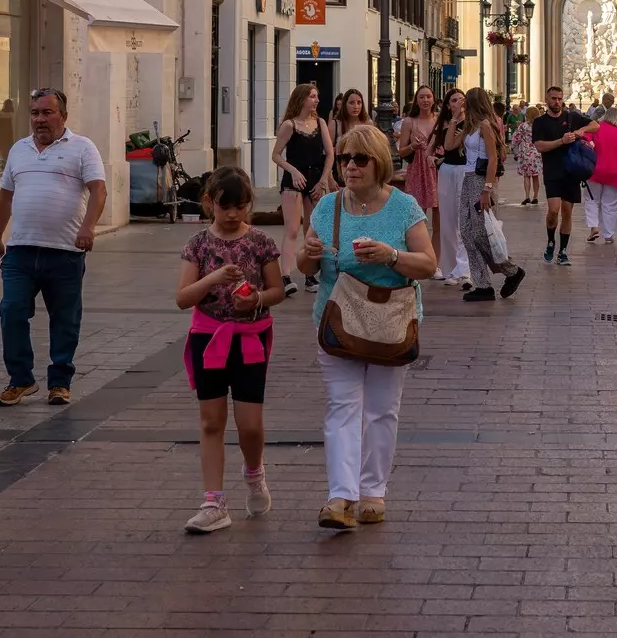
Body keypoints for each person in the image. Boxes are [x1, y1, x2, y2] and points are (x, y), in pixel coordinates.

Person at [298, 125, 432, 530]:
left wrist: (391, 256)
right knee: (343, 408)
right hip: (338, 319)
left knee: (381, 410)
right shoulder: (328, 207)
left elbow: (428, 263)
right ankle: (341, 497)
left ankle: (373, 491)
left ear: (379, 163)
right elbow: (304, 268)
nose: (350, 167)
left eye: (360, 159)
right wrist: (307, 254)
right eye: (344, 159)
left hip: (390, 322)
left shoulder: (404, 206)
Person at [175, 166, 285, 533]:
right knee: (211, 421)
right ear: (209, 204)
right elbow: (182, 298)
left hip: (251, 338)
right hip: (209, 338)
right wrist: (213, 279)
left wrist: (255, 300)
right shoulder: (197, 244)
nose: (234, 214)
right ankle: (214, 501)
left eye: (241, 206)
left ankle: (254, 473)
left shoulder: (261, 242)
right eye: (226, 207)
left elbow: (277, 292)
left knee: (249, 424)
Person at [0, 88, 106, 406]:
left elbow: (98, 191)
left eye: (47, 112)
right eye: (35, 113)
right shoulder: (19, 150)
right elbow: (5, 198)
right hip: (21, 251)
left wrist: (88, 227)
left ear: (63, 116)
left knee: (65, 319)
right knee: (11, 311)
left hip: (65, 252)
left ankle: (60, 382)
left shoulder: (82, 148)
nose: (40, 119)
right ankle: (21, 379)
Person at [457, 87, 526, 301]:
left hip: (480, 180)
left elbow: (493, 158)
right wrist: (453, 121)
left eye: (465, 102)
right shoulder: (470, 127)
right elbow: (449, 145)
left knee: (479, 232)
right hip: (468, 179)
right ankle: (482, 284)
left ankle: (511, 270)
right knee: (467, 232)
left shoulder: (486, 126)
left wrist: (487, 188)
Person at [271, 84, 332, 299]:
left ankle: (309, 274)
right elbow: (276, 155)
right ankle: (286, 276)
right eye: (312, 96)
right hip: (294, 181)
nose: (316, 100)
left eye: (317, 96)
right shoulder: (289, 125)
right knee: (292, 229)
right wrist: (293, 171)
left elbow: (330, 154)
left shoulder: (320, 123)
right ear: (302, 99)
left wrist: (323, 181)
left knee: (312, 230)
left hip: (315, 179)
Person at [529, 85, 593, 265]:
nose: (556, 102)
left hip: (571, 171)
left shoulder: (571, 117)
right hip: (552, 170)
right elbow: (540, 146)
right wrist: (561, 141)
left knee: (567, 211)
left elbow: (595, 125)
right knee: (553, 210)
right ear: (546, 99)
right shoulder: (540, 122)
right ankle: (551, 241)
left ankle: (563, 251)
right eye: (553, 99)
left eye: (559, 98)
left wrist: (581, 132)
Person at [430, 87, 473, 287]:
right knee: (447, 221)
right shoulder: (445, 125)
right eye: (454, 100)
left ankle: (464, 269)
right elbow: (441, 148)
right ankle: (450, 268)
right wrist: (434, 159)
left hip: (465, 171)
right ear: (448, 105)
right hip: (448, 171)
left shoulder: (472, 124)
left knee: (463, 219)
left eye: (462, 99)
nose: (459, 103)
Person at [584, 105, 617, 243]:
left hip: (594, 171)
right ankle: (608, 235)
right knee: (610, 205)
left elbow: (584, 141)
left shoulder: (595, 128)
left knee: (592, 200)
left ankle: (594, 226)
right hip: (616, 173)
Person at [395, 86, 439, 209]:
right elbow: (402, 152)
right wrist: (413, 147)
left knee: (439, 209)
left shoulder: (439, 120)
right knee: (417, 211)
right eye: (421, 97)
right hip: (417, 170)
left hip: (437, 168)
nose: (425, 100)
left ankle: (438, 230)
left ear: (433, 100)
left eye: (428, 97)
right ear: (416, 100)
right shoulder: (409, 121)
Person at [511, 105, 543, 206]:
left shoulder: (523, 126)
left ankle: (527, 196)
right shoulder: (540, 126)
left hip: (525, 152)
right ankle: (536, 196)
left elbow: (516, 139)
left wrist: (514, 147)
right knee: (535, 176)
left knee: (526, 176)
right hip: (537, 151)